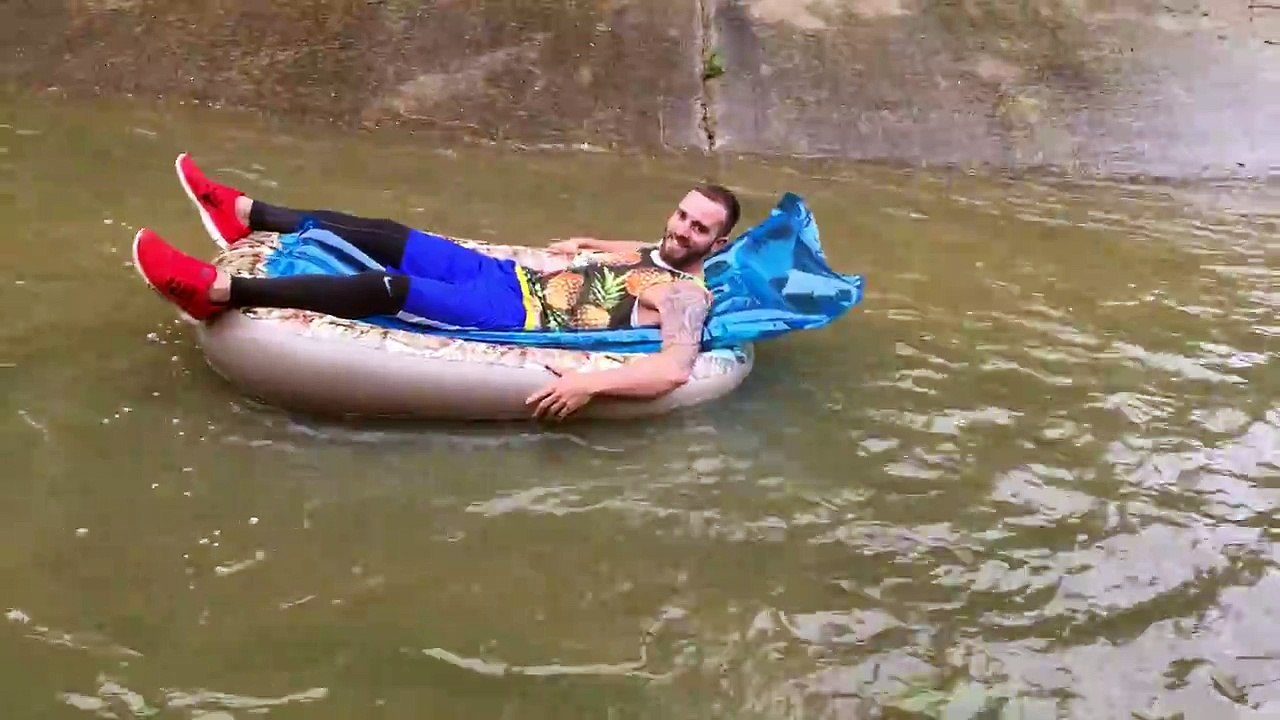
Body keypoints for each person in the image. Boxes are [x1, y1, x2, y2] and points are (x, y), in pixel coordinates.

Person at [132, 153, 741, 420]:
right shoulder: (656, 251)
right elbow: (635, 256)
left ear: (716, 246)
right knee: (392, 233)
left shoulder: (686, 296)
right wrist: (588, 244)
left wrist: (589, 384)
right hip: (514, 278)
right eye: (681, 215)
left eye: (698, 229)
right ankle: (244, 213)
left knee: (393, 287)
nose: (681, 229)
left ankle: (218, 293)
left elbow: (672, 371)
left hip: (513, 314)